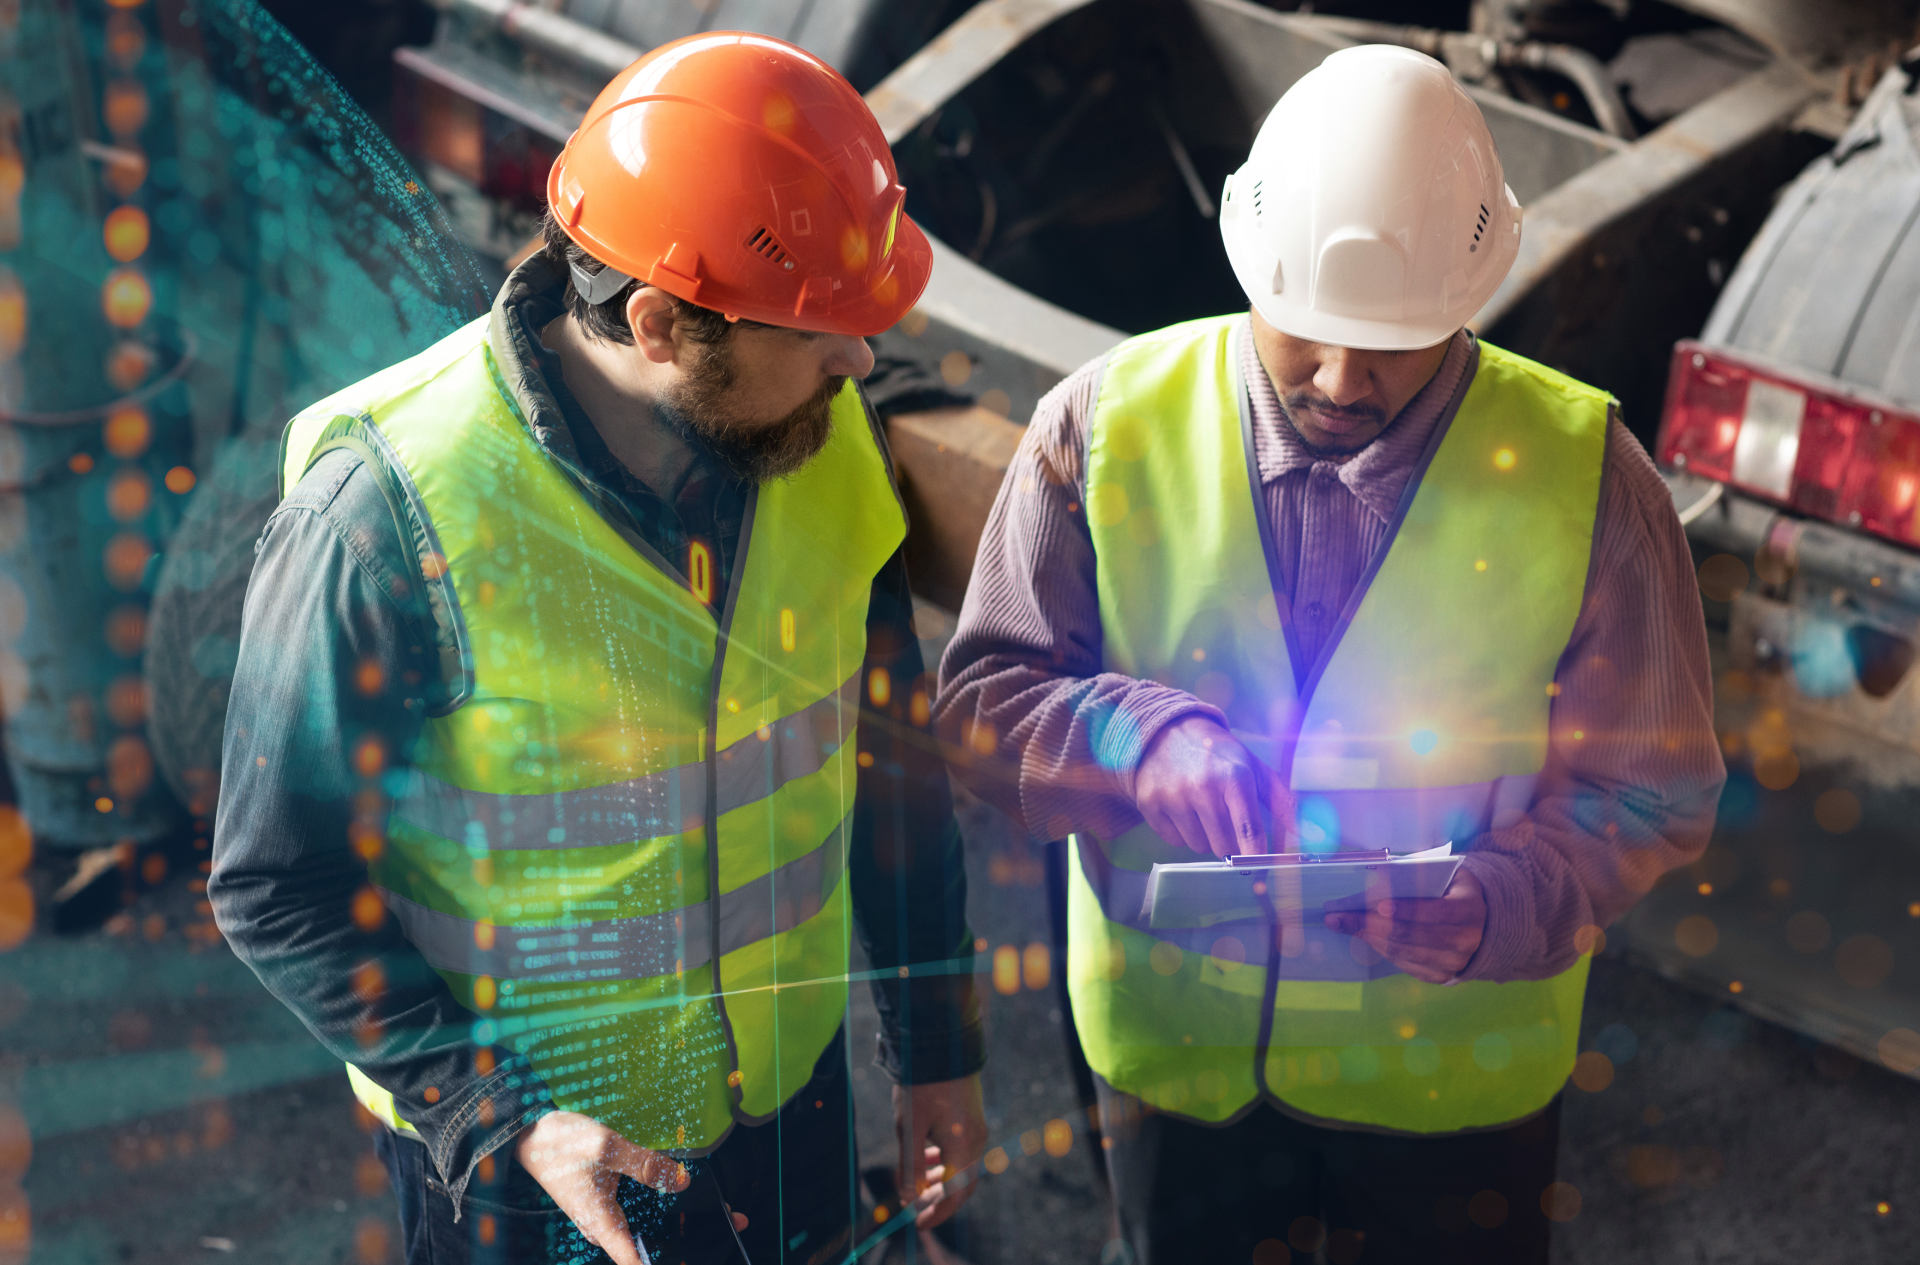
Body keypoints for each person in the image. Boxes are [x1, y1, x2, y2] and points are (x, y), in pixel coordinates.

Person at [935, 45, 1725, 1265]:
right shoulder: (1103, 423)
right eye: (1306, 330)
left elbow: (1656, 791)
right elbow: (984, 709)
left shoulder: (1596, 484)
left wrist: (1505, 904)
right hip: (1177, 1075)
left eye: (1395, 341)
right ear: (1249, 264)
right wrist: (1132, 734)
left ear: (1471, 295)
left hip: (1448, 1101)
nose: (1343, 377)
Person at [211, 34, 987, 1265]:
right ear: (662, 323)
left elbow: (892, 770)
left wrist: (939, 1048)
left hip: (796, 1109)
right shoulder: (385, 515)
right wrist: (493, 1115)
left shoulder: (820, 439)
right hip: (543, 1161)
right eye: (818, 330)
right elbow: (274, 880)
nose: (860, 361)